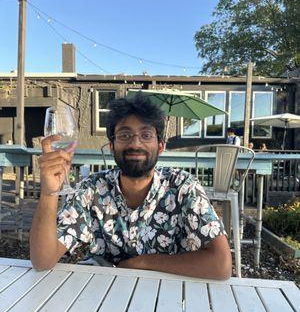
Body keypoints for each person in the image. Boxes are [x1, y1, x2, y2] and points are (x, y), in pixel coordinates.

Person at [30, 93, 232, 280]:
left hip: (167, 295)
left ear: (160, 146)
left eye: (146, 135)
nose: (135, 144)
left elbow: (221, 265)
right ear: (111, 146)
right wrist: (49, 192)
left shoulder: (183, 188)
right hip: (103, 293)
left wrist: (141, 262)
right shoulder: (92, 189)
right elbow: (42, 261)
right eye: (125, 135)